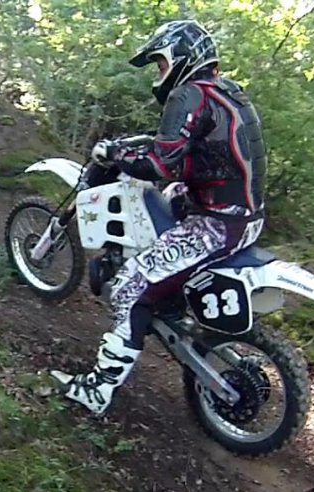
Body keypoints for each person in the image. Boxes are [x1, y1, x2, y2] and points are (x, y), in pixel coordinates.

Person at [51, 20, 268, 416]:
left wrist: (114, 154)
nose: (159, 73)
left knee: (129, 288)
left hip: (215, 225)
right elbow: (198, 149)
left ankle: (97, 391)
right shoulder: (226, 93)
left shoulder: (188, 94)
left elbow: (158, 164)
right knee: (166, 200)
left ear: (181, 58)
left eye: (161, 64)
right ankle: (168, 299)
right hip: (245, 217)